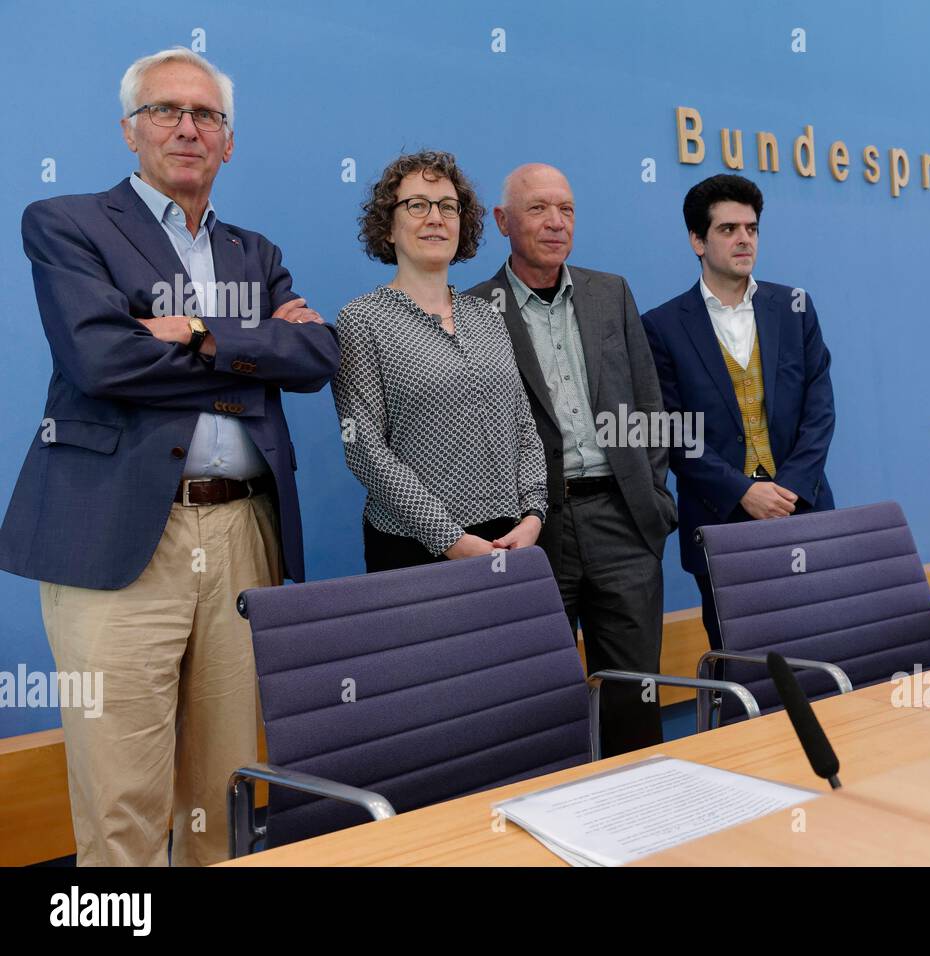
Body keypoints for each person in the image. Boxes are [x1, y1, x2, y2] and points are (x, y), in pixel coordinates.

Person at [0, 47, 340, 866]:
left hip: (242, 532)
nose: (187, 128)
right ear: (130, 131)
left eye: (208, 116)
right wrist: (257, 344)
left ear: (229, 142)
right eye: (166, 111)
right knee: (123, 803)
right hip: (116, 533)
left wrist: (193, 331)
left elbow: (318, 357)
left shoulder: (255, 253)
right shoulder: (67, 222)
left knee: (224, 789)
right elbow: (101, 362)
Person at [467, 163, 676, 757]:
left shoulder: (610, 292)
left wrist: (654, 500)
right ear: (504, 221)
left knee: (634, 698)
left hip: (622, 520)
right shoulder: (475, 311)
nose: (555, 222)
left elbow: (647, 400)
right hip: (534, 529)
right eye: (538, 209)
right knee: (537, 702)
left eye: (566, 209)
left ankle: (642, 829)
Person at [641, 173, 835, 650]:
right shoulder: (661, 326)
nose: (744, 238)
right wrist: (744, 492)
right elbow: (672, 431)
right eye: (728, 229)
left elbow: (820, 409)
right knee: (743, 661)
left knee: (824, 649)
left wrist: (786, 489)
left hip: (803, 511)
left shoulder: (794, 307)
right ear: (697, 241)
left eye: (751, 228)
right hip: (721, 522)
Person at [332, 151, 547, 572]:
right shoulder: (361, 319)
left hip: (509, 539)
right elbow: (364, 448)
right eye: (417, 205)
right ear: (388, 227)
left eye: (448, 207)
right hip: (410, 546)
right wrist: (448, 537)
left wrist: (534, 514)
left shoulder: (488, 315)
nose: (436, 218)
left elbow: (523, 424)